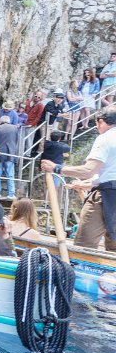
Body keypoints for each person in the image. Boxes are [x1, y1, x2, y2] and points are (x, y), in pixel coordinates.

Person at [41, 106, 116, 251]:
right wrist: (88, 184)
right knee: (114, 247)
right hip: (108, 190)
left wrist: (56, 168)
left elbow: (89, 170)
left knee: (84, 244)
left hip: (107, 197)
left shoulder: (105, 138)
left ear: (101, 121)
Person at [0, 114, 18, 198]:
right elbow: (16, 140)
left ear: (0, 121)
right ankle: (11, 194)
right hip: (10, 154)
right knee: (10, 174)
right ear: (8, 121)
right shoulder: (14, 128)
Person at [24, 90, 46, 156]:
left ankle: (27, 154)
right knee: (22, 139)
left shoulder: (40, 106)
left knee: (29, 140)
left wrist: (32, 124)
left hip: (31, 125)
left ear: (41, 98)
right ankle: (21, 153)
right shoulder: (28, 102)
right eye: (36, 96)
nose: (37, 98)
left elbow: (38, 117)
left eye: (39, 97)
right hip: (24, 123)